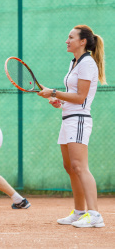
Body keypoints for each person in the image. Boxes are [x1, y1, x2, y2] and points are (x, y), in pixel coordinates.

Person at [37, 25, 106, 228]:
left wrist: (54, 93)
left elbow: (81, 97)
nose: (67, 41)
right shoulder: (74, 62)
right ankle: (79, 212)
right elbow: (73, 97)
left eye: (70, 37)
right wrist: (60, 102)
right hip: (68, 117)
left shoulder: (87, 63)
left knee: (79, 166)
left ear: (82, 41)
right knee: (70, 167)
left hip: (79, 119)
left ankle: (95, 215)